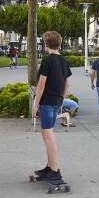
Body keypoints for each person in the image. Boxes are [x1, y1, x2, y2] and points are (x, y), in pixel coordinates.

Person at [32, 31, 71, 183]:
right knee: (47, 135)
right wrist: (61, 100)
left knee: (48, 136)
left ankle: (55, 170)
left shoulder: (48, 61)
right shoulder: (63, 60)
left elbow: (41, 86)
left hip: (47, 102)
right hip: (56, 101)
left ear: (46, 44)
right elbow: (66, 84)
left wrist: (36, 105)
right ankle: (50, 167)